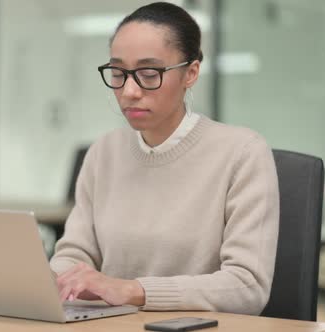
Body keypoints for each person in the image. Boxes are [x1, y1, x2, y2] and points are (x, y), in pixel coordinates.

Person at [49, 2, 279, 315]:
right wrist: (50, 281)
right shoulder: (103, 153)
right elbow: (74, 255)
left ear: (191, 73)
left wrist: (132, 290)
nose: (129, 91)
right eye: (118, 73)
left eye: (148, 73)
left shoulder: (243, 153)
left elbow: (247, 285)